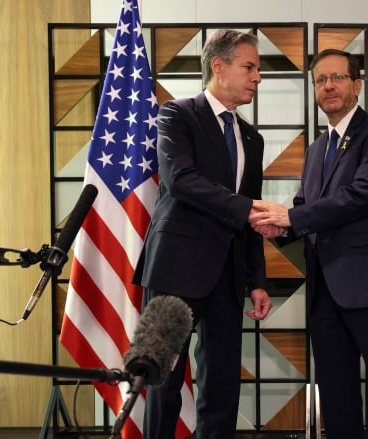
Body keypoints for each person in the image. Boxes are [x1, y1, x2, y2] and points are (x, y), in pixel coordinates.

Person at [250, 48, 368, 439]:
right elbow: (303, 207)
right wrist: (280, 228)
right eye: (320, 80)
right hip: (324, 294)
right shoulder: (315, 149)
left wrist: (293, 218)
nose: (328, 86)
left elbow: (364, 194)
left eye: (337, 78)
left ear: (357, 85)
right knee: (337, 399)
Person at [132, 29, 273, 439]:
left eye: (258, 69)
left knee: (222, 386)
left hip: (227, 278)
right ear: (218, 65)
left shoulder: (253, 138)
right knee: (162, 381)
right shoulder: (177, 114)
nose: (257, 77)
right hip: (175, 269)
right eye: (249, 67)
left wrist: (257, 281)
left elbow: (252, 212)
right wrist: (246, 207)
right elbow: (181, 180)